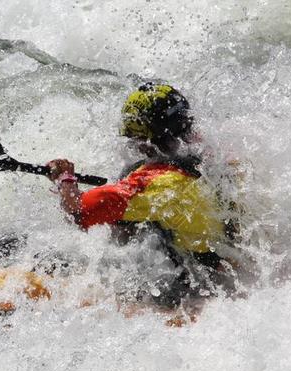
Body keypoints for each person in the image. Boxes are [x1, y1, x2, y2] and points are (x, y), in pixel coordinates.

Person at [47, 82, 239, 317]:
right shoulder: (214, 161)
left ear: (142, 138)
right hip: (217, 271)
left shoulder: (154, 183)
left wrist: (65, 179)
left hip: (180, 290)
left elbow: (79, 213)